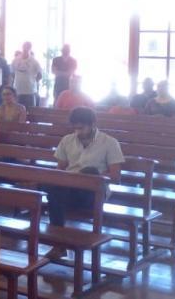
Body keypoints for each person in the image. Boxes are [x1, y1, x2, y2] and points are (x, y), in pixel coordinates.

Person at [43, 107, 124, 260]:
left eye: (81, 128)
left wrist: (94, 176)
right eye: (75, 128)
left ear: (92, 124)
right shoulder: (67, 140)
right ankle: (58, 244)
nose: (78, 132)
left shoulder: (109, 142)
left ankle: (59, 245)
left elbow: (115, 177)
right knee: (54, 190)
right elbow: (60, 169)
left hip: (94, 193)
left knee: (89, 172)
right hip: (70, 190)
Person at [11, 42, 42, 108]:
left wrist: (32, 81)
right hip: (17, 90)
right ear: (22, 47)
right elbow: (12, 73)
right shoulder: (15, 60)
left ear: (30, 48)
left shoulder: (34, 61)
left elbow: (40, 75)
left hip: (30, 92)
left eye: (28, 47)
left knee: (30, 110)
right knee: (17, 110)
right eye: (24, 46)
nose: (26, 48)